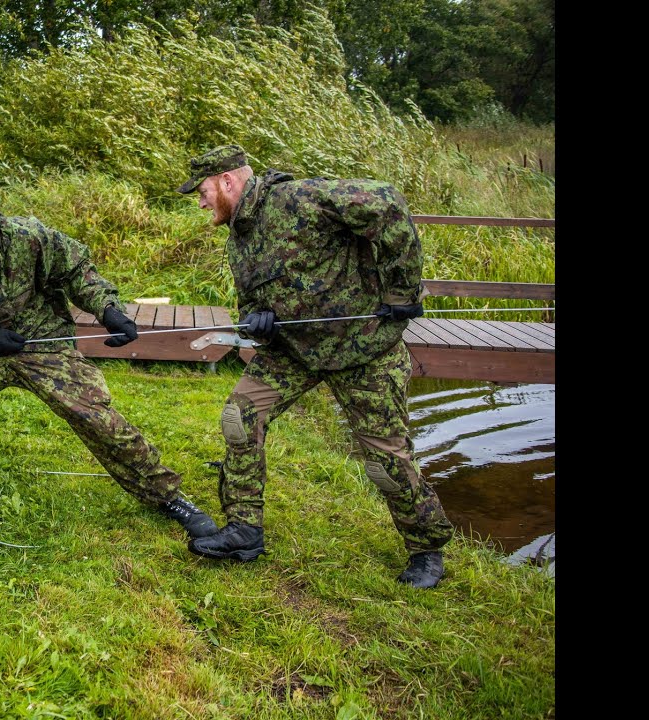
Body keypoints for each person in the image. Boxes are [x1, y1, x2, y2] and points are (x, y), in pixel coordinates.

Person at [175, 144, 455, 588]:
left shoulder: (300, 197)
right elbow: (254, 305)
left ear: (228, 181)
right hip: (295, 352)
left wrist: (403, 293)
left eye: (203, 190)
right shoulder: (240, 239)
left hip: (364, 350)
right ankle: (245, 529)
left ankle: (426, 548)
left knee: (385, 459)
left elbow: (387, 202)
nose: (201, 200)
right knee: (239, 417)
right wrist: (259, 325)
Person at [0, 199, 219, 538]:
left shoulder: (27, 238)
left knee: (94, 416)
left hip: (42, 343)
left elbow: (76, 269)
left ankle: (166, 495)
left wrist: (108, 310)